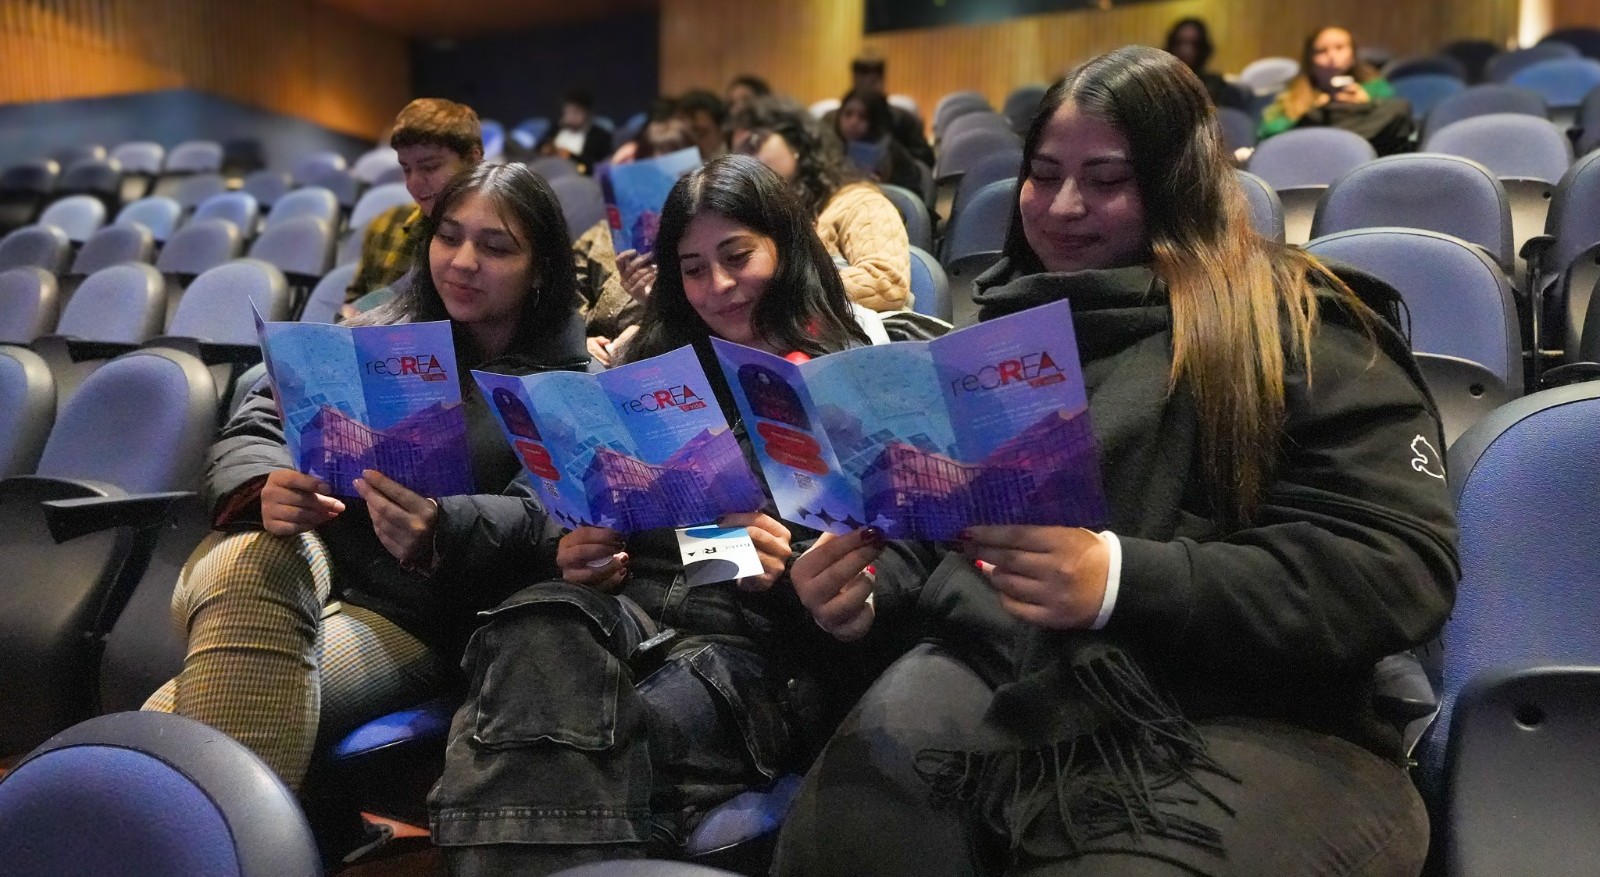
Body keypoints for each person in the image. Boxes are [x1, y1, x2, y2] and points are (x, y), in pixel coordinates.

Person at [774, 45, 1458, 876]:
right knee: (845, 834)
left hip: (1267, 718)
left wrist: (1118, 579)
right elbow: (944, 536)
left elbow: (1395, 566)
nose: (1064, 206)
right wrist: (861, 596)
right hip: (1012, 676)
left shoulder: (1300, 325)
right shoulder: (998, 342)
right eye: (1043, 173)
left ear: (1178, 184)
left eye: (1106, 179)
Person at [427, 154, 875, 876]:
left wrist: (772, 568)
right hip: (622, 620)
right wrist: (579, 550)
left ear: (784, 250)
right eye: (693, 268)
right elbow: (598, 519)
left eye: (737, 257)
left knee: (548, 733)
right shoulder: (656, 373)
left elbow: (857, 595)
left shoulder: (839, 383)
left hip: (746, 658)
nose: (717, 287)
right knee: (531, 625)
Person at [144, 163, 589, 842]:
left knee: (169, 725)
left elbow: (547, 513)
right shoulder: (382, 329)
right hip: (314, 550)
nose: (464, 262)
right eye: (449, 237)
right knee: (251, 559)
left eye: (496, 247)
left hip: (421, 609)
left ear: (541, 270)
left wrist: (444, 527)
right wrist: (264, 485)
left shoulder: (568, 379)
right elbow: (260, 421)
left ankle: (210, 845)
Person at [734, 96, 913, 312]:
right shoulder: (757, 221)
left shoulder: (860, 202)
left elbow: (886, 283)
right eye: (737, 155)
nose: (746, 162)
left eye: (754, 144)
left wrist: (783, 292)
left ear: (796, 141)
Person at [572, 117, 699, 366]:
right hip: (590, 356)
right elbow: (568, 291)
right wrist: (579, 341)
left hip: (658, 357)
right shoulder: (604, 234)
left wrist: (652, 313)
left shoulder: (700, 241)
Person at [345, 98, 483, 306]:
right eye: (406, 169)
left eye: (429, 167)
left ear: (473, 160)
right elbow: (354, 305)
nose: (413, 184)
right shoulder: (385, 224)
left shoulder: (499, 235)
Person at [1258, 26, 1414, 155]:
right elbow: (1268, 134)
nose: (1332, 56)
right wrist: (1313, 110)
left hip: (1365, 155)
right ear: (1309, 60)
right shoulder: (1295, 95)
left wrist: (1366, 105)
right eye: (1321, 51)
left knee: (1399, 109)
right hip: (1313, 153)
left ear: (1353, 54)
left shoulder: (1375, 88)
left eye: (1339, 48)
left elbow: (1397, 126)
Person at [833, 87, 927, 198]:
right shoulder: (828, 149)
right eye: (848, 114)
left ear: (875, 121)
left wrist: (882, 188)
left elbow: (911, 200)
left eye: (863, 117)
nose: (853, 122)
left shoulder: (893, 153)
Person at [847, 54, 935, 167]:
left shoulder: (903, 119)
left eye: (872, 83)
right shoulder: (832, 119)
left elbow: (925, 162)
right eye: (861, 83)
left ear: (881, 81)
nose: (866, 90)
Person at [1164, 18, 1249, 111]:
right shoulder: (1158, 83)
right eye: (1179, 43)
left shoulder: (1218, 87)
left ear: (1203, 49)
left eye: (1193, 44)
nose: (1185, 50)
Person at [537, 88, 615, 174]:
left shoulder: (600, 136)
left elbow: (597, 165)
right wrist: (547, 148)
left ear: (587, 113)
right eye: (568, 112)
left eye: (575, 112)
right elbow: (538, 147)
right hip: (547, 170)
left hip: (577, 175)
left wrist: (569, 156)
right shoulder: (556, 128)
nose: (571, 117)